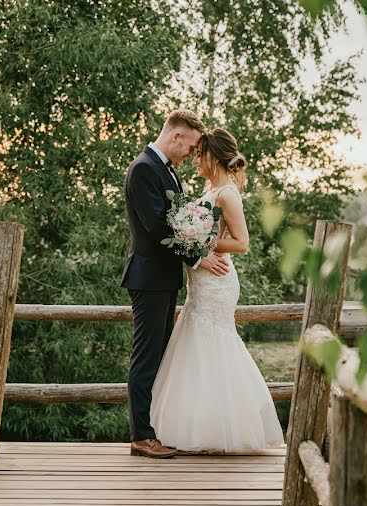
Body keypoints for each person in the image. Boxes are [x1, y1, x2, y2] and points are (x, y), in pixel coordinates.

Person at [150, 128, 284, 452]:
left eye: (200, 154)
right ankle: (199, 428)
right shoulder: (208, 188)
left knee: (212, 344)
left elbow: (242, 243)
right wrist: (190, 243)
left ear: (212, 156)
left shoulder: (227, 193)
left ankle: (223, 430)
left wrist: (200, 243)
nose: (195, 159)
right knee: (194, 347)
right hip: (200, 281)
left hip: (218, 281)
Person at [121, 109, 231, 459]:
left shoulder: (164, 170)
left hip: (164, 279)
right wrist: (199, 256)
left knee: (160, 356)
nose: (192, 154)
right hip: (150, 278)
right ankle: (141, 436)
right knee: (147, 357)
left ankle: (155, 429)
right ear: (176, 137)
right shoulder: (143, 170)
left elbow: (178, 219)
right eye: (192, 146)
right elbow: (157, 226)